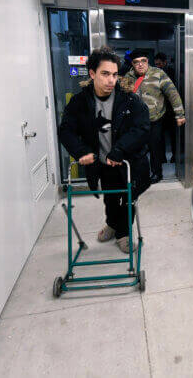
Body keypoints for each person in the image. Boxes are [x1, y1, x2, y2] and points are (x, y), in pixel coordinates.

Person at [58, 46, 150, 253]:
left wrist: (120, 150)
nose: (111, 80)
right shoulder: (80, 102)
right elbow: (66, 131)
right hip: (101, 163)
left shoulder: (129, 100)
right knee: (110, 196)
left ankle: (123, 233)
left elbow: (142, 128)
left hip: (126, 162)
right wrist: (80, 151)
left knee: (127, 199)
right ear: (92, 74)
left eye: (115, 74)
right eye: (105, 74)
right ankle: (112, 223)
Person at [125, 49, 185, 183]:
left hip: (155, 118)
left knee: (155, 147)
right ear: (132, 64)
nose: (140, 65)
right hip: (135, 122)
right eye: (136, 62)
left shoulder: (158, 74)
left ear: (148, 62)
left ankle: (157, 173)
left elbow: (172, 94)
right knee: (137, 149)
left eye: (143, 61)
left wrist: (179, 114)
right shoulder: (127, 78)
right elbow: (122, 98)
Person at [155, 52, 177, 163]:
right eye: (156, 65)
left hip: (171, 109)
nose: (158, 66)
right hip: (160, 110)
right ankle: (162, 157)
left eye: (160, 64)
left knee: (174, 135)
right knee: (160, 136)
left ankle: (175, 156)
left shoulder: (172, 73)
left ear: (165, 62)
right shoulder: (155, 75)